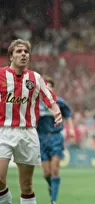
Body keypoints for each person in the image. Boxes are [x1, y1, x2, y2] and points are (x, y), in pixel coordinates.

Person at [0, 39, 62, 204]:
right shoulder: (1, 75)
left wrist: (56, 112)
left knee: (26, 185)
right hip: (3, 131)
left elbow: (49, 98)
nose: (23, 54)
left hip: (27, 133)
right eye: (19, 51)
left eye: (26, 52)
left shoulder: (35, 77)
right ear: (11, 56)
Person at [37, 76, 75, 204]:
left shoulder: (59, 102)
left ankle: (53, 200)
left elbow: (68, 115)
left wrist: (71, 129)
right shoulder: (36, 103)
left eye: (50, 86)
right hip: (41, 138)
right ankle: (51, 186)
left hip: (55, 137)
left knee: (55, 169)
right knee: (46, 173)